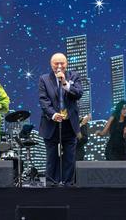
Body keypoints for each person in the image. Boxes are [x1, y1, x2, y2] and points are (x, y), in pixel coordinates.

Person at [38, 53, 83, 186]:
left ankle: (69, 184)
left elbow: (78, 94)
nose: (59, 66)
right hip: (51, 123)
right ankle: (51, 184)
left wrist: (64, 83)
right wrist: (53, 114)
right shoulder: (44, 79)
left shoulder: (74, 76)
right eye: (55, 63)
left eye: (62, 63)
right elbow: (43, 100)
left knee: (70, 157)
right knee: (52, 157)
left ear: (66, 63)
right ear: (51, 64)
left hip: (70, 124)